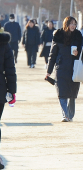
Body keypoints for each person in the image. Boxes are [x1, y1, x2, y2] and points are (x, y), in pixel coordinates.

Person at [46, 16, 83, 122]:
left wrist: (78, 52)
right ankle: (65, 115)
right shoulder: (58, 35)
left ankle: (70, 115)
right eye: (71, 23)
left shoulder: (78, 35)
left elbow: (82, 50)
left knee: (72, 92)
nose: (73, 26)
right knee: (61, 91)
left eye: (75, 24)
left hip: (74, 67)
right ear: (66, 24)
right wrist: (49, 71)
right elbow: (52, 54)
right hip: (61, 67)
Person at [0, 22, 17, 169]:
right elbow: (10, 69)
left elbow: (10, 69)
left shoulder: (4, 44)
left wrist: (12, 91)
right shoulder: (4, 44)